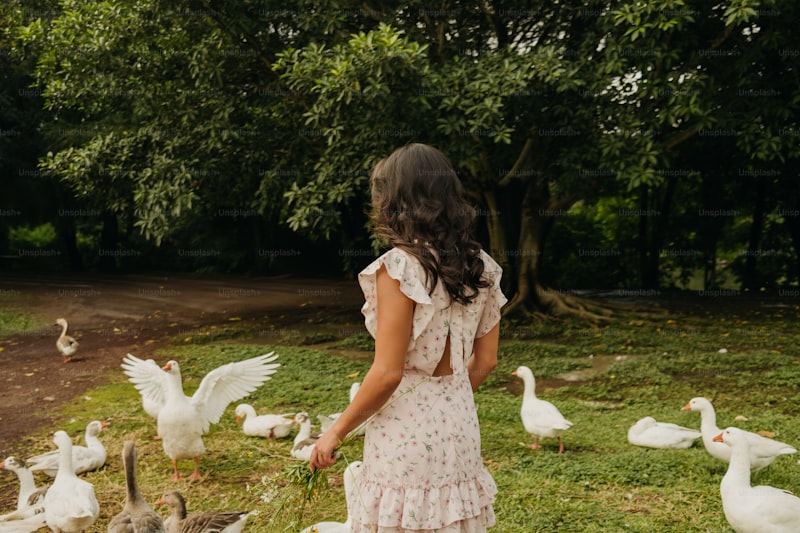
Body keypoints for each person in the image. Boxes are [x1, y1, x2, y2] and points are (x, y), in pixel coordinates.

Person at [309, 143, 507, 532]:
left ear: (396, 200)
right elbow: (486, 362)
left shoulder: (398, 268)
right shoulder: (484, 266)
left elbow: (387, 373)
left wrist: (334, 432)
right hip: (460, 424)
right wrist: (446, 399)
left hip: (405, 432)